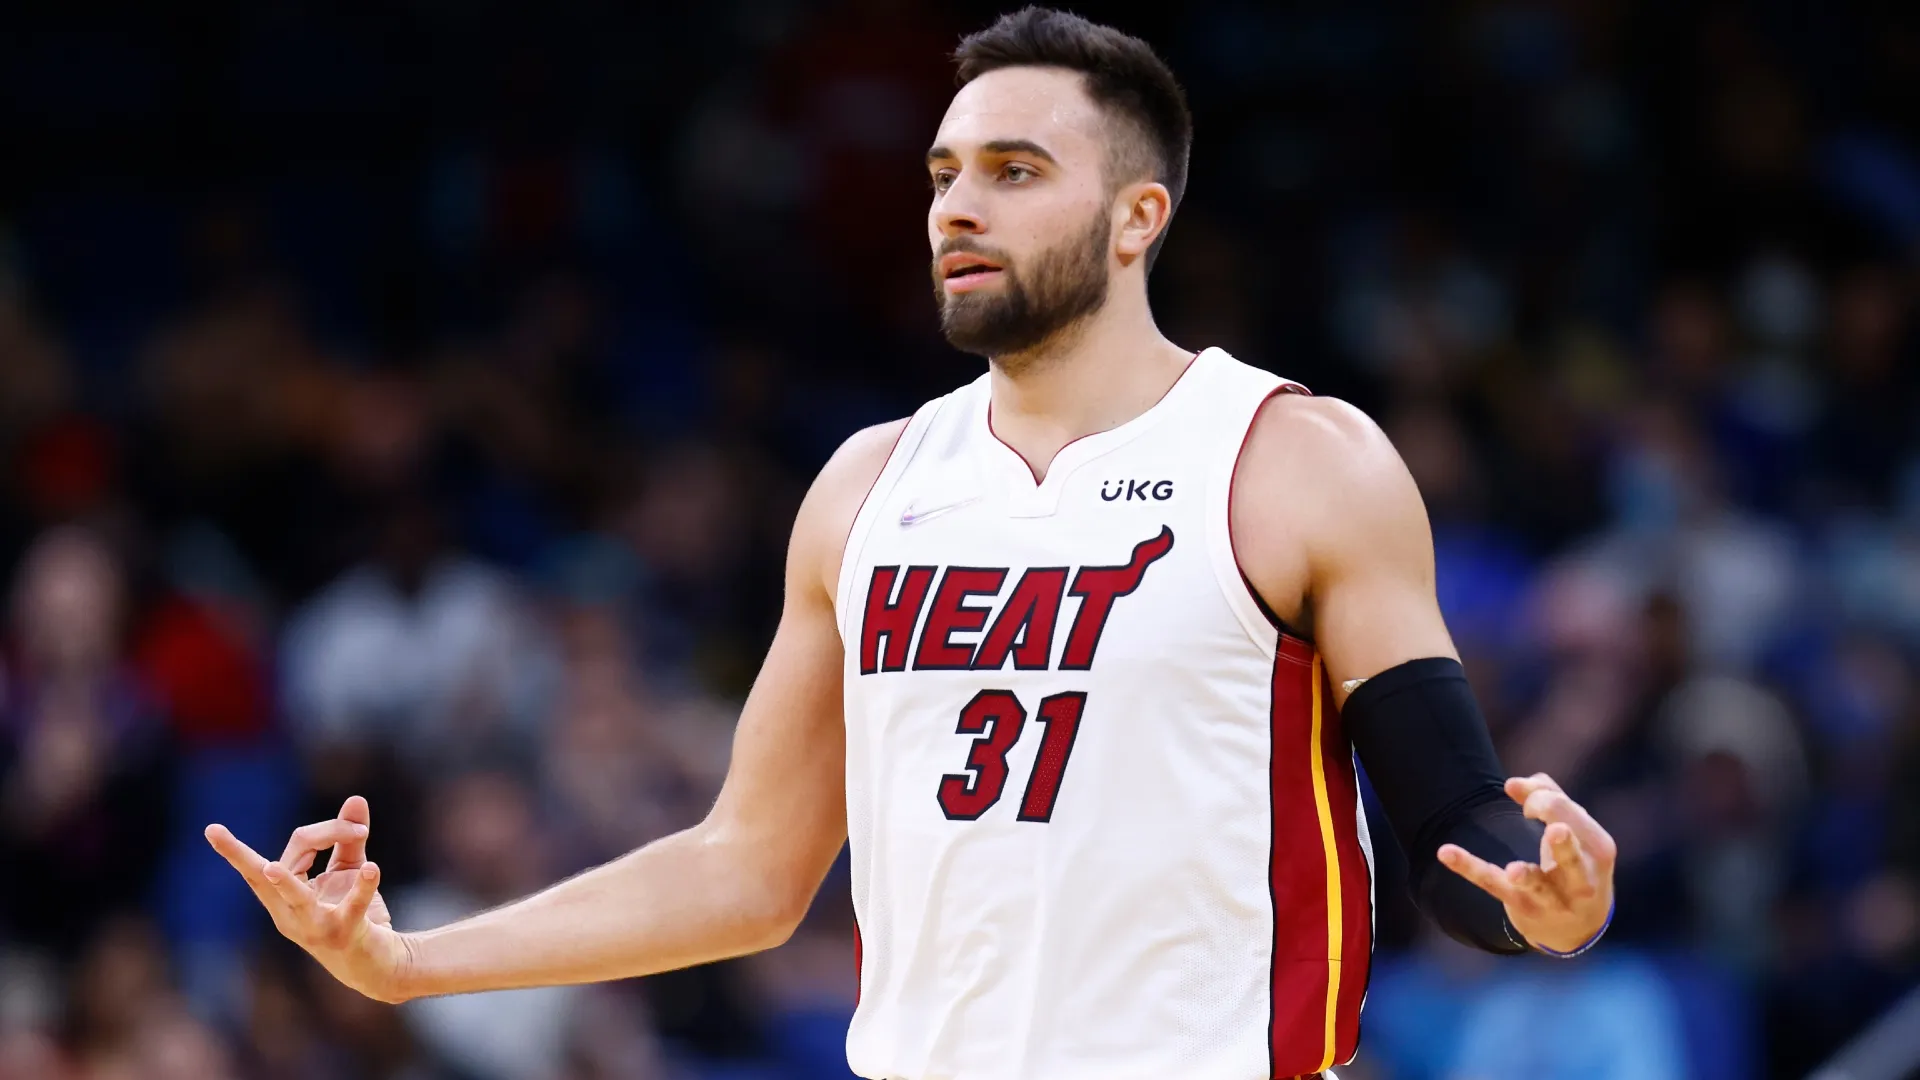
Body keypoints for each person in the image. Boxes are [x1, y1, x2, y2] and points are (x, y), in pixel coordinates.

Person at [206, 9, 1618, 1078]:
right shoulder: (868, 486)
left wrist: (1546, 906)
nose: (958, 205)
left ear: (1140, 216)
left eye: (1015, 170)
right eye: (944, 172)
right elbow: (747, 869)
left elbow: (1456, 826)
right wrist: (407, 965)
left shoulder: (1294, 459)